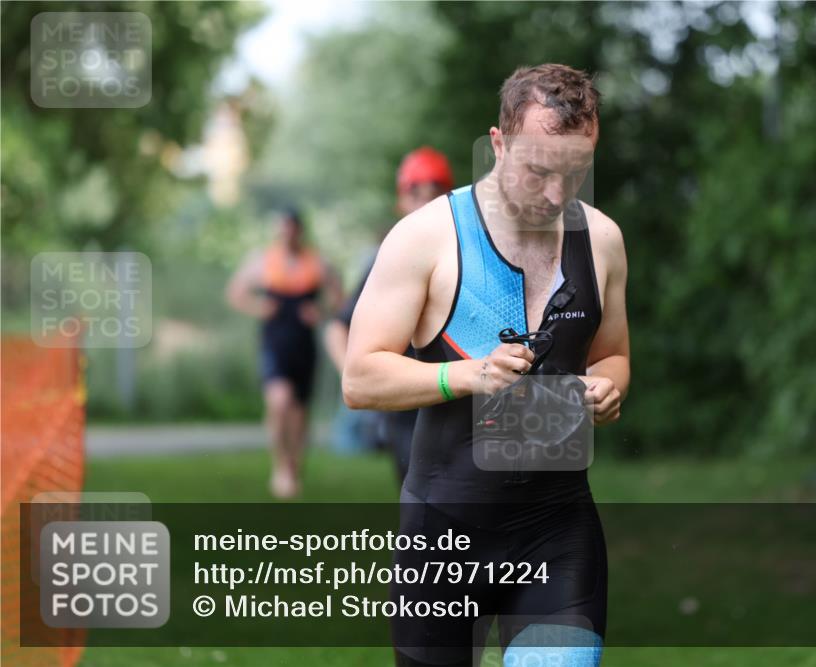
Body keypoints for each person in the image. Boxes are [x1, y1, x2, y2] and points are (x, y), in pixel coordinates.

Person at [342, 64, 629, 666]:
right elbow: (360, 376)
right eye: (539, 171)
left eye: (576, 172)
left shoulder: (601, 240)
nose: (557, 194)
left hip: (558, 531)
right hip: (444, 533)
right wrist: (466, 375)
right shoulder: (425, 238)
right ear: (498, 144)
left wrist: (608, 387)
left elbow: (613, 355)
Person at [325, 147, 455, 485]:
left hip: (460, 399)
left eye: (434, 192)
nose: (424, 203)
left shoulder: (467, 254)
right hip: (408, 405)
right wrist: (357, 376)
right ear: (402, 200)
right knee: (420, 498)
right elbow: (337, 329)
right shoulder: (389, 257)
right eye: (416, 193)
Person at [226, 209, 342, 499]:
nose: (286, 233)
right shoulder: (263, 260)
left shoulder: (317, 262)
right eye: (282, 228)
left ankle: (294, 467)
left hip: (304, 345)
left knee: (300, 412)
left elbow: (339, 297)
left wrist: (320, 310)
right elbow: (236, 292)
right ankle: (279, 466)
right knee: (278, 402)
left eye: (291, 228)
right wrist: (259, 307)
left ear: (300, 230)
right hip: (274, 344)